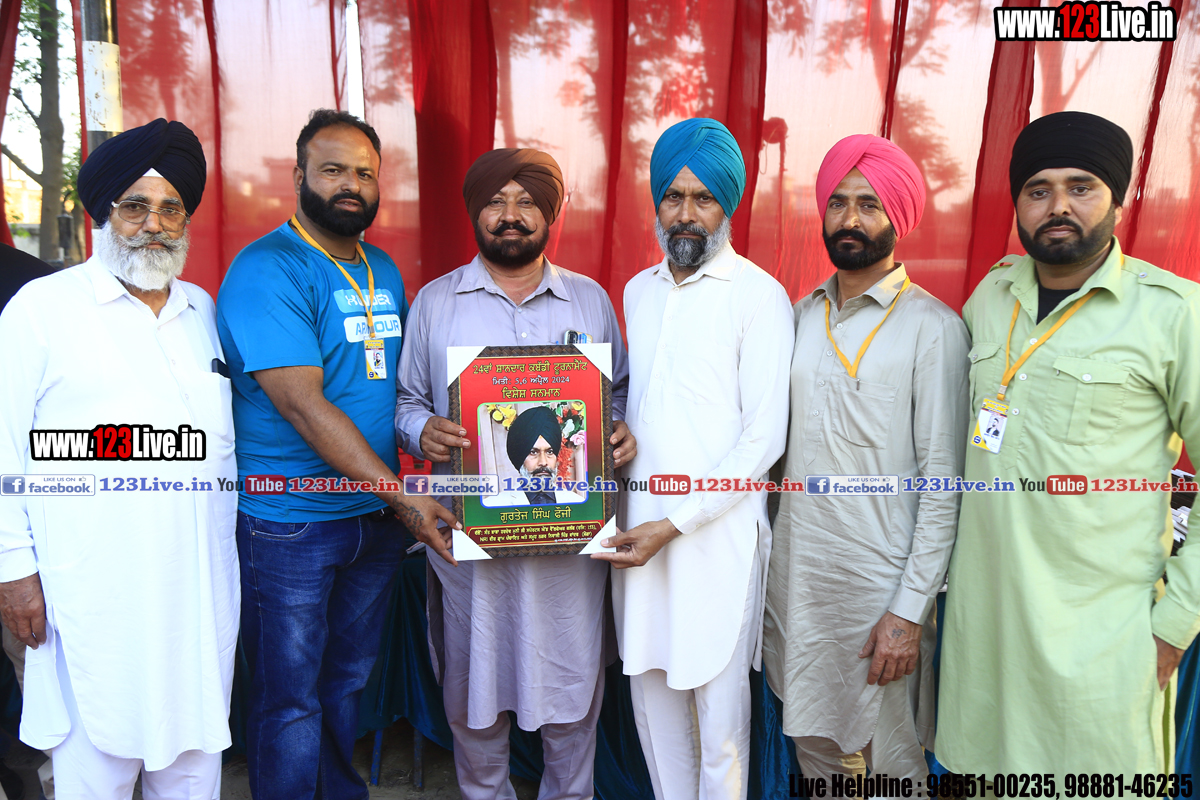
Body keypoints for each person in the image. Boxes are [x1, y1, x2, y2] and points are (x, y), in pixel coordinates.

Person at [938, 111, 1200, 777]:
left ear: (1119, 200)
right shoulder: (991, 296)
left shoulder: (1174, 313)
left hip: (1101, 651)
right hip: (984, 642)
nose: (1057, 206)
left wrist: (1175, 623)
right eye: (1038, 189)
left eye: (1081, 187)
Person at [216, 109, 456, 799]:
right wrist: (405, 497)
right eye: (332, 170)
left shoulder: (382, 270)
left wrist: (419, 439)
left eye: (364, 173)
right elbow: (302, 404)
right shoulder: (267, 269)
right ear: (299, 176)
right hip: (290, 523)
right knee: (289, 697)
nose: (350, 184)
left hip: (373, 519)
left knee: (346, 681)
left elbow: (390, 390)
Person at [0, 118, 237, 798]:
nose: (153, 225)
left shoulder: (200, 309)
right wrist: (14, 572)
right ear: (103, 214)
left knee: (192, 766)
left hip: (198, 595)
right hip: (91, 594)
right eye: (135, 206)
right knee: (94, 766)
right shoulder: (42, 309)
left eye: (170, 208)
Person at [394, 147, 633, 800]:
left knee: (573, 694)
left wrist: (615, 429)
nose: (510, 215)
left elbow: (616, 396)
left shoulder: (589, 301)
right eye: (496, 202)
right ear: (475, 211)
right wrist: (422, 430)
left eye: (527, 202)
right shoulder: (436, 302)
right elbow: (406, 402)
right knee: (474, 695)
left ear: (549, 215)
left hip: (568, 547)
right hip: (471, 543)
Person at [595, 118, 793, 800]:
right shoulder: (637, 291)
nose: (686, 212)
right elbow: (639, 401)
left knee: (721, 727)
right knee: (653, 711)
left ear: (727, 205)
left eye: (703, 197)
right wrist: (617, 429)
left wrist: (675, 523)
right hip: (637, 533)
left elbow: (763, 442)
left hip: (716, 542)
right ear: (656, 203)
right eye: (673, 196)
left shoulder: (759, 297)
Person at [761, 135, 970, 780]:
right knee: (816, 750)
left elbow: (944, 486)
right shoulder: (798, 316)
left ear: (898, 217)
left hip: (879, 594)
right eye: (838, 203)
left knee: (888, 763)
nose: (850, 218)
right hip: (798, 586)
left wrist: (908, 612)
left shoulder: (934, 329)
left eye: (870, 204)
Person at [480, 405, 585, 507]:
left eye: (549, 452)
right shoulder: (493, 505)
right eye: (533, 452)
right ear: (521, 458)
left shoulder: (577, 503)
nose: (543, 462)